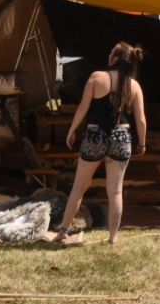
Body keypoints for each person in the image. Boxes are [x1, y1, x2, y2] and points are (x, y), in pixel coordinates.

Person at [56, 42, 147, 244]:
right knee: (115, 190)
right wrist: (142, 143)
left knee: (79, 187)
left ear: (115, 58)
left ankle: (63, 231)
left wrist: (72, 130)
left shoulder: (96, 77)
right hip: (121, 137)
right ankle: (113, 237)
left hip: (95, 135)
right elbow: (141, 120)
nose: (108, 54)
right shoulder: (134, 85)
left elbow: (82, 108)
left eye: (111, 51)